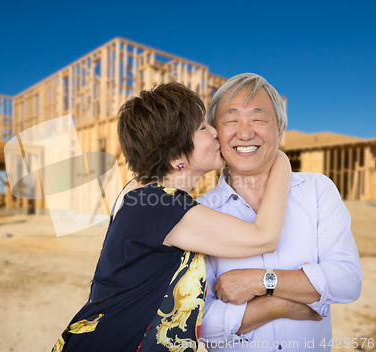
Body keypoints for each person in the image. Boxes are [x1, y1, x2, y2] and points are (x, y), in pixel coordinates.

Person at [52, 82, 292, 352]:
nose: (215, 132)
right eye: (202, 127)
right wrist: (279, 158)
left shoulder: (138, 193)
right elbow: (264, 237)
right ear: (177, 153)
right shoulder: (162, 207)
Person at [197, 73, 363, 351]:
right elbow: (198, 322)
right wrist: (277, 306)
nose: (245, 132)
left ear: (280, 130)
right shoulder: (200, 213)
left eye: (258, 119)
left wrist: (260, 281)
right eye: (231, 120)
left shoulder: (317, 191)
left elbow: (347, 280)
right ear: (215, 134)